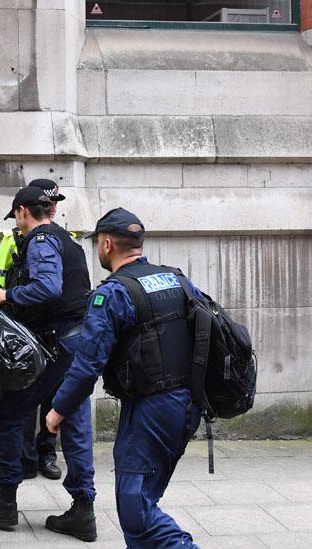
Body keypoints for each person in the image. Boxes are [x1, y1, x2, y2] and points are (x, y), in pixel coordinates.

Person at [47, 208, 204, 548]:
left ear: (106, 244)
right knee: (142, 500)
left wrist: (58, 409)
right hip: (187, 405)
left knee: (136, 508)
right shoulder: (176, 278)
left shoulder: (113, 293)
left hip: (151, 407)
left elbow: (87, 363)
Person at [0, 185, 98, 542]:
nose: (18, 225)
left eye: (17, 218)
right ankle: (84, 509)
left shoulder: (40, 241)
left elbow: (48, 287)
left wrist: (6, 295)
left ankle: (4, 502)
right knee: (74, 422)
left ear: (24, 211)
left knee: (8, 417)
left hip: (54, 348)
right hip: (76, 345)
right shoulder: (67, 240)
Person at [0, 179, 67, 481]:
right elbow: (1, 280)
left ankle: (46, 453)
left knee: (53, 397)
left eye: (55, 202)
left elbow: (56, 286)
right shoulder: (15, 238)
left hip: (53, 331)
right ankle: (24, 456)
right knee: (22, 396)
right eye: (49, 203)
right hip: (25, 327)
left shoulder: (57, 237)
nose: (53, 208)